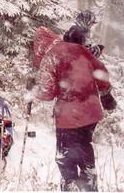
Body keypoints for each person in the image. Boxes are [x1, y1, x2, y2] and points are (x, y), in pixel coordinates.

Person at [32, 26, 117, 191]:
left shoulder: (51, 56)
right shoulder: (83, 51)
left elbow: (47, 92)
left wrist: (34, 92)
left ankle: (70, 187)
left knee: (66, 157)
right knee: (84, 147)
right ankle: (89, 186)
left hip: (68, 116)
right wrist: (106, 93)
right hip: (91, 112)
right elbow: (101, 71)